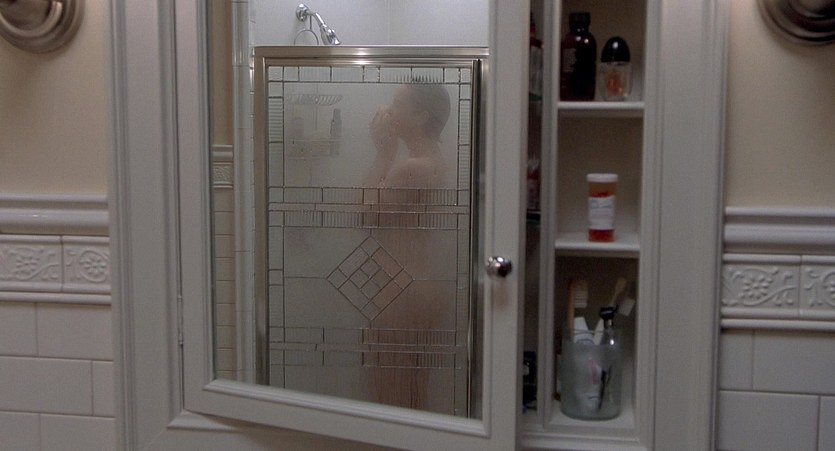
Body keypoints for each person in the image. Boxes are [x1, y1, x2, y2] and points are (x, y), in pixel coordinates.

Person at [363, 82, 451, 189]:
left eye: (397, 104)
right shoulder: (434, 162)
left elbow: (364, 200)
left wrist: (383, 156)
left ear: (421, 117)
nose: (389, 110)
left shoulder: (413, 170)